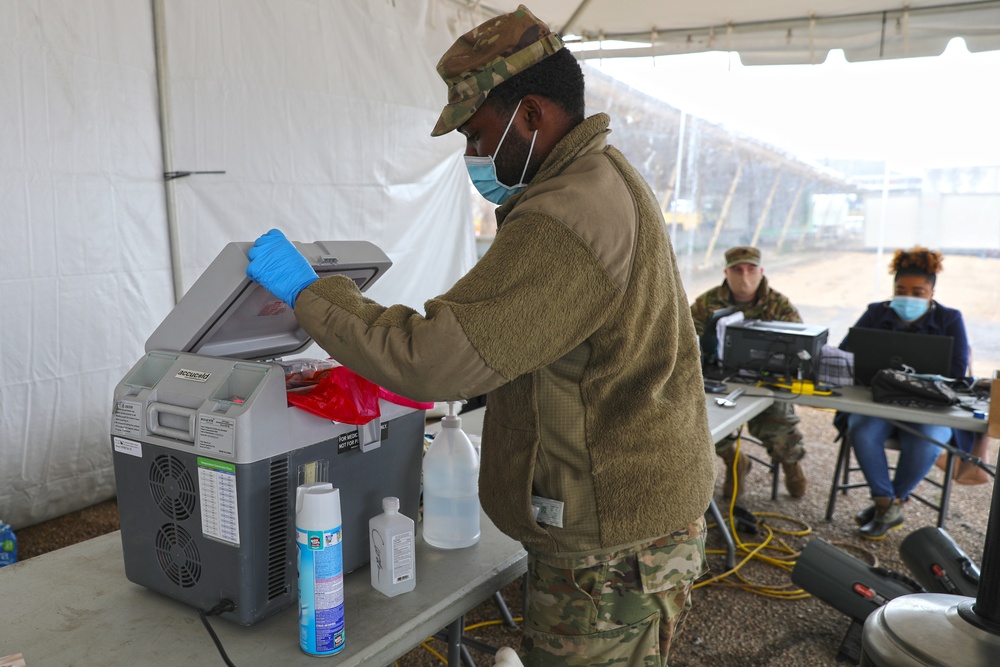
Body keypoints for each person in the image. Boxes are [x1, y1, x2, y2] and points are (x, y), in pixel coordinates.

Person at [244, 6, 716, 666]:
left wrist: (310, 295)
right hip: (623, 521)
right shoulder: (600, 178)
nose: (471, 155)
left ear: (532, 116)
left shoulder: (567, 217)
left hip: (611, 547)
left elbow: (431, 358)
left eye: (476, 134)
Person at [839, 246, 970, 540]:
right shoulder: (875, 313)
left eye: (918, 292)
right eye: (901, 290)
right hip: (878, 402)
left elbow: (959, 369)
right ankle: (887, 504)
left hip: (931, 408)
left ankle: (888, 506)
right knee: (861, 429)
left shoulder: (950, 319)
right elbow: (846, 353)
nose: (907, 298)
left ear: (931, 293)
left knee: (925, 443)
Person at [690, 246, 808, 500]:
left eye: (751, 269)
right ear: (726, 272)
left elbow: (800, 345)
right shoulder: (707, 303)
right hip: (719, 381)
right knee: (701, 425)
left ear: (761, 271)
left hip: (767, 383)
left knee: (779, 429)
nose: (744, 275)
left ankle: (791, 464)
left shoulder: (778, 304)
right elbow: (686, 339)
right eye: (737, 269)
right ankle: (735, 462)